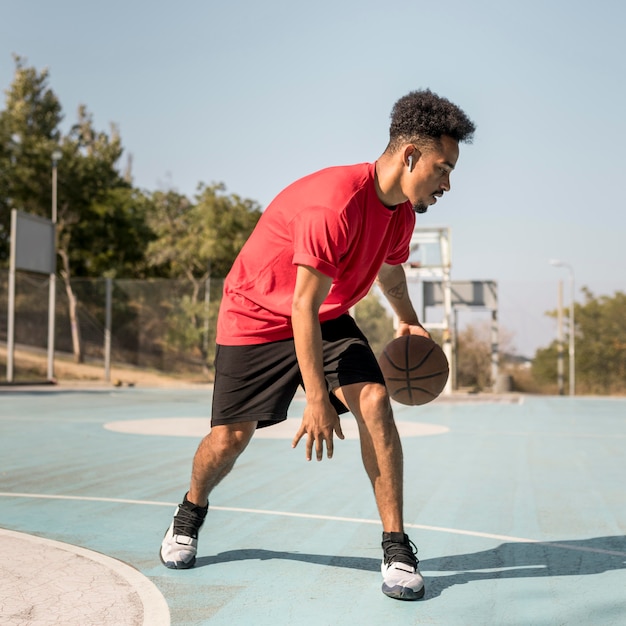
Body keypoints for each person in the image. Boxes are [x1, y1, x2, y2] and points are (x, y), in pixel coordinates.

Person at [160, 89, 475, 601]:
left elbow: (390, 271)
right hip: (257, 316)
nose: (447, 182)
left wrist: (410, 321)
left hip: (323, 315)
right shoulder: (336, 204)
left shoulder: (401, 214)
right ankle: (190, 511)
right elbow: (299, 306)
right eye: (443, 168)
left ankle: (396, 546)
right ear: (410, 155)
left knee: (374, 401)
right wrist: (315, 399)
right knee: (229, 439)